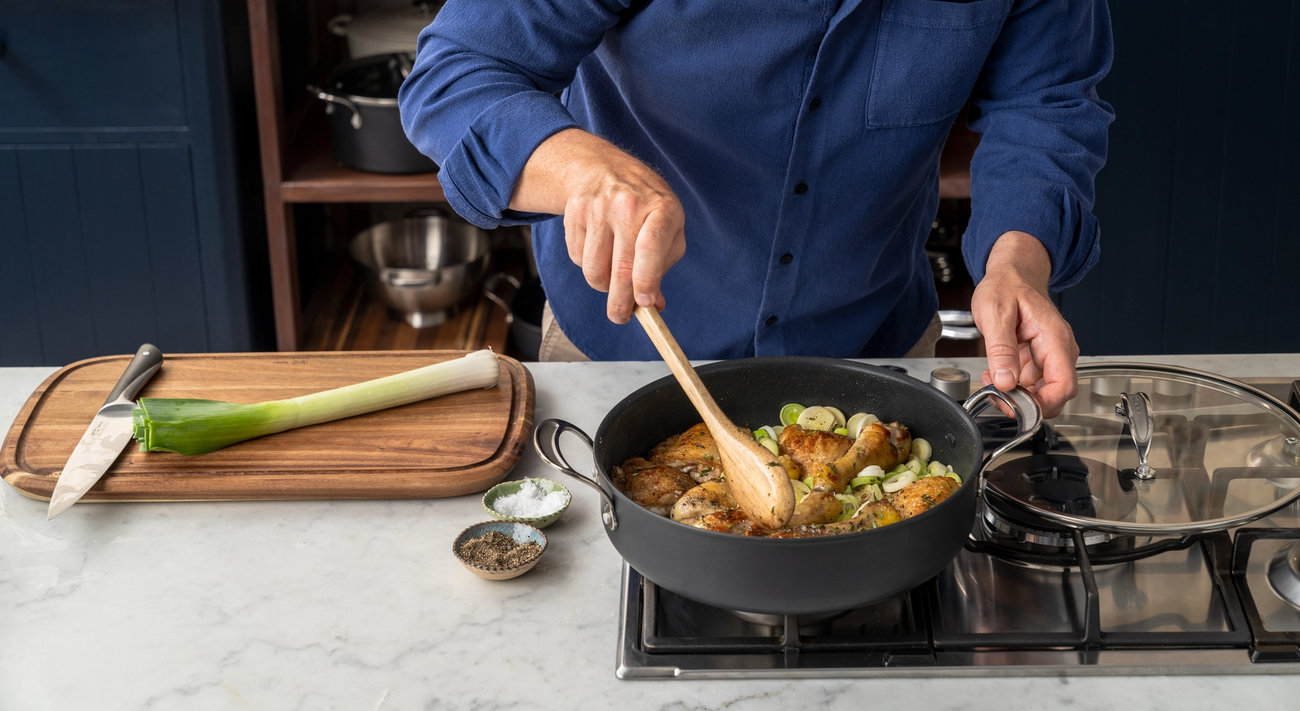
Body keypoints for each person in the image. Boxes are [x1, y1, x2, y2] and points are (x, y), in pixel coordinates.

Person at [398, 0, 1113, 418]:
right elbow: (456, 75)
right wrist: (582, 169)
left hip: (875, 355)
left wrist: (1019, 261)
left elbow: (1045, 101)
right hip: (616, 362)